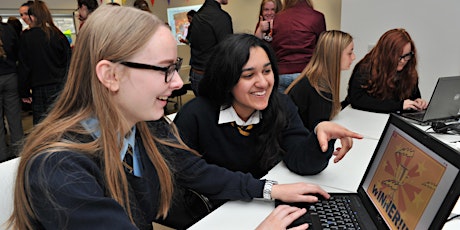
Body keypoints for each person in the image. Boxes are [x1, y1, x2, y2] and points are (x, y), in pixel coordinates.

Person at [9, 6, 337, 230]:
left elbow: (192, 169)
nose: (178, 83)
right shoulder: (59, 168)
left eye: (175, 69)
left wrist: (269, 190)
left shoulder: (144, 129)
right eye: (165, 70)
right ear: (110, 75)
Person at [172, 33, 363, 228]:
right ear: (226, 79)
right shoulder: (196, 113)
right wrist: (267, 189)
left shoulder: (279, 105)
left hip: (260, 208)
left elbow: (300, 161)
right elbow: (188, 172)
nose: (263, 83)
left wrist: (321, 136)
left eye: (267, 71)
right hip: (216, 213)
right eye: (248, 75)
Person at [345, 28, 428, 113]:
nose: (403, 61)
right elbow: (357, 100)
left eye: (407, 55)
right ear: (386, 55)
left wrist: (417, 102)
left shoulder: (409, 69)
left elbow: (412, 96)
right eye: (398, 57)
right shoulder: (365, 67)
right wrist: (398, 106)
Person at [285, 30, 355, 131]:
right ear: (335, 55)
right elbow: (317, 132)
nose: (353, 57)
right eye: (350, 53)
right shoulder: (319, 89)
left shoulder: (314, 80)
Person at [18, 0, 71, 125]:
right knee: (61, 122)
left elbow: (24, 66)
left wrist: (24, 91)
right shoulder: (58, 34)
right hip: (60, 86)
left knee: (42, 126)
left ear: (33, 16)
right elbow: (69, 61)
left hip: (39, 89)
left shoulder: (26, 37)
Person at [270, 0, 326, 92]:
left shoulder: (278, 17)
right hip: (306, 73)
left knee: (281, 106)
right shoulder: (317, 17)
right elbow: (322, 48)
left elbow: (273, 46)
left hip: (281, 73)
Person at [188, 0, 233, 96]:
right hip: (212, 77)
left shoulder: (197, 16)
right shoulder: (221, 17)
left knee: (204, 110)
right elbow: (227, 51)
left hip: (195, 74)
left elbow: (191, 41)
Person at [0, 20, 24, 162]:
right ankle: (19, 155)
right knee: (15, 119)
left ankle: (2, 159)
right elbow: (18, 52)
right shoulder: (8, 29)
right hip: (11, 77)